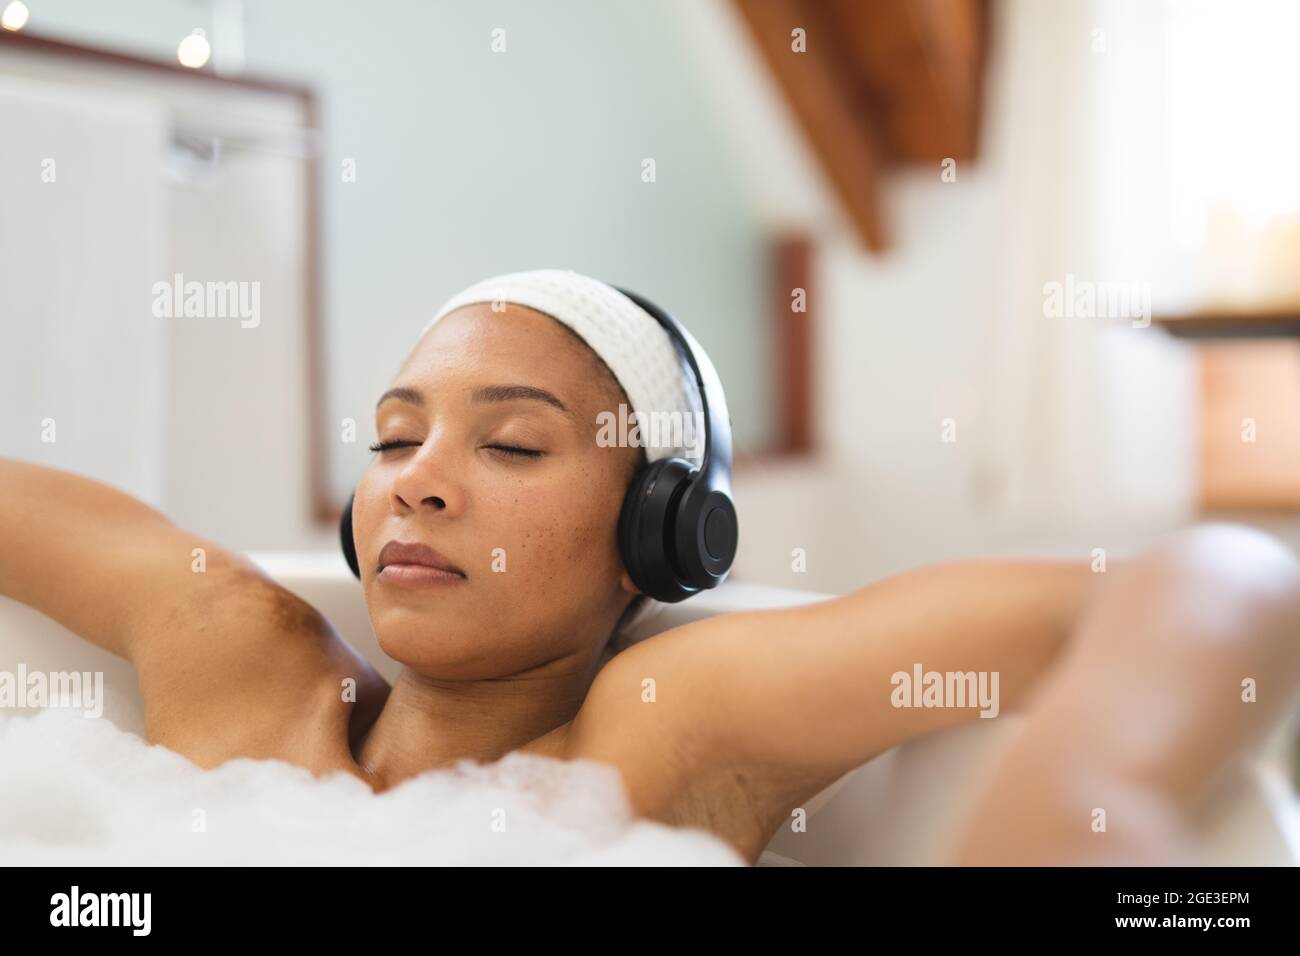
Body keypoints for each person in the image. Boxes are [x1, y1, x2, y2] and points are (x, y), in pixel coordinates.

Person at [3, 269, 1298, 865]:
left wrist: (1091, 772)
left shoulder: (658, 745)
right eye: (396, 437)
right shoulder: (230, 657)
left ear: (659, 533)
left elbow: (1215, 571)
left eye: (511, 442)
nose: (419, 478)